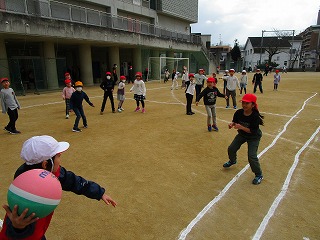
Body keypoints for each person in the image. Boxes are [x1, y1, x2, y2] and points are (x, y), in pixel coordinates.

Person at [0, 135, 117, 239]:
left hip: (39, 231)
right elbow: (13, 226)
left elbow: (73, 181)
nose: (60, 161)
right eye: (58, 157)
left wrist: (99, 193)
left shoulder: (50, 173)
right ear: (45, 164)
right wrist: (17, 228)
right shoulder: (26, 190)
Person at [223, 93, 264, 185]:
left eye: (247, 103)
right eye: (243, 103)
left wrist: (241, 127)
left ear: (253, 105)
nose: (244, 105)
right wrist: (232, 124)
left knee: (252, 156)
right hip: (242, 134)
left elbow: (253, 131)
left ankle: (259, 174)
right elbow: (235, 121)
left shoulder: (255, 116)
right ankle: (232, 160)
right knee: (231, 148)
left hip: (253, 137)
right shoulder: (239, 112)